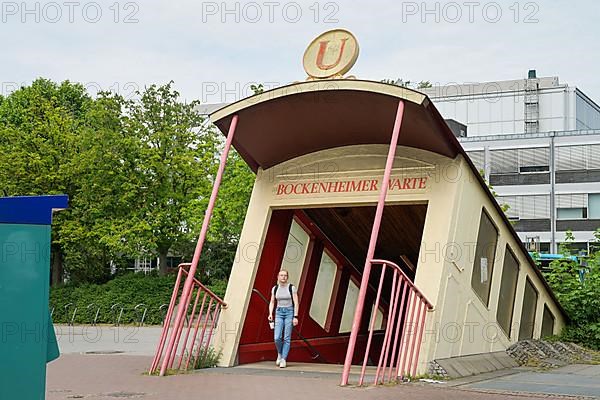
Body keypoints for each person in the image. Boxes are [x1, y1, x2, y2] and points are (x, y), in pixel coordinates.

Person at [268, 269, 299, 368]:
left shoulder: (291, 288)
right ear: (278, 277)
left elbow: (296, 302)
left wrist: (295, 316)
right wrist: (270, 313)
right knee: (277, 337)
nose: (283, 277)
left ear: (287, 277)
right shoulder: (275, 288)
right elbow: (272, 301)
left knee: (286, 337)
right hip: (279, 312)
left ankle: (284, 359)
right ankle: (280, 353)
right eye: (281, 275)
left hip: (289, 311)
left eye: (285, 275)